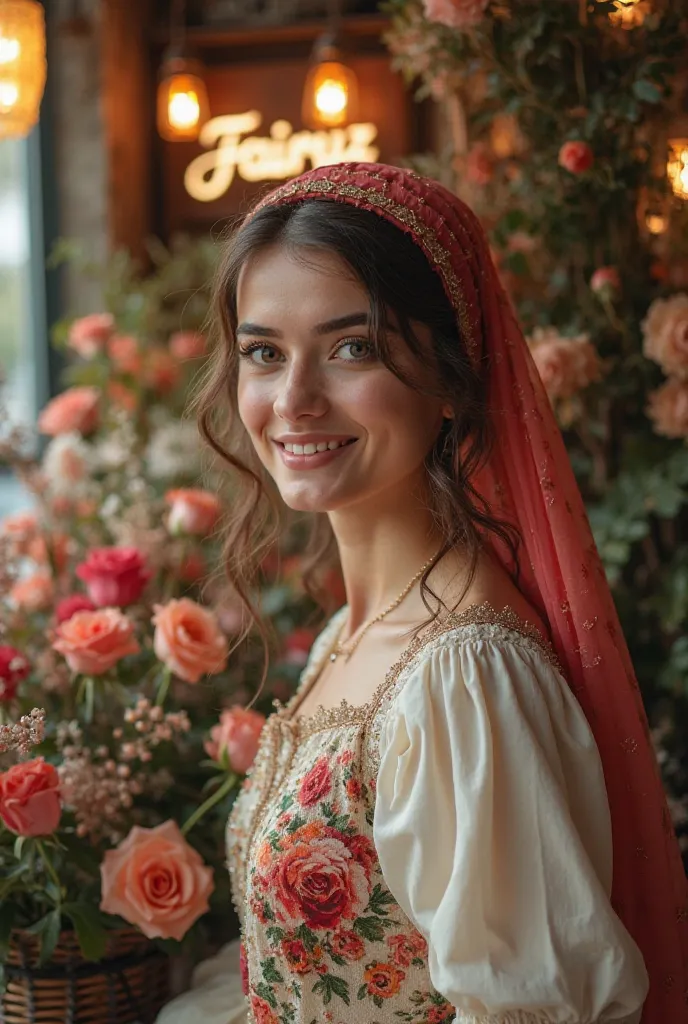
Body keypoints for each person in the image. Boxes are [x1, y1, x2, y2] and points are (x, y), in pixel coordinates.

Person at [157, 163, 688, 1024]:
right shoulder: (355, 631)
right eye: (265, 353)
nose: (293, 399)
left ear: (447, 377)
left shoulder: (465, 677)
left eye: (351, 347)